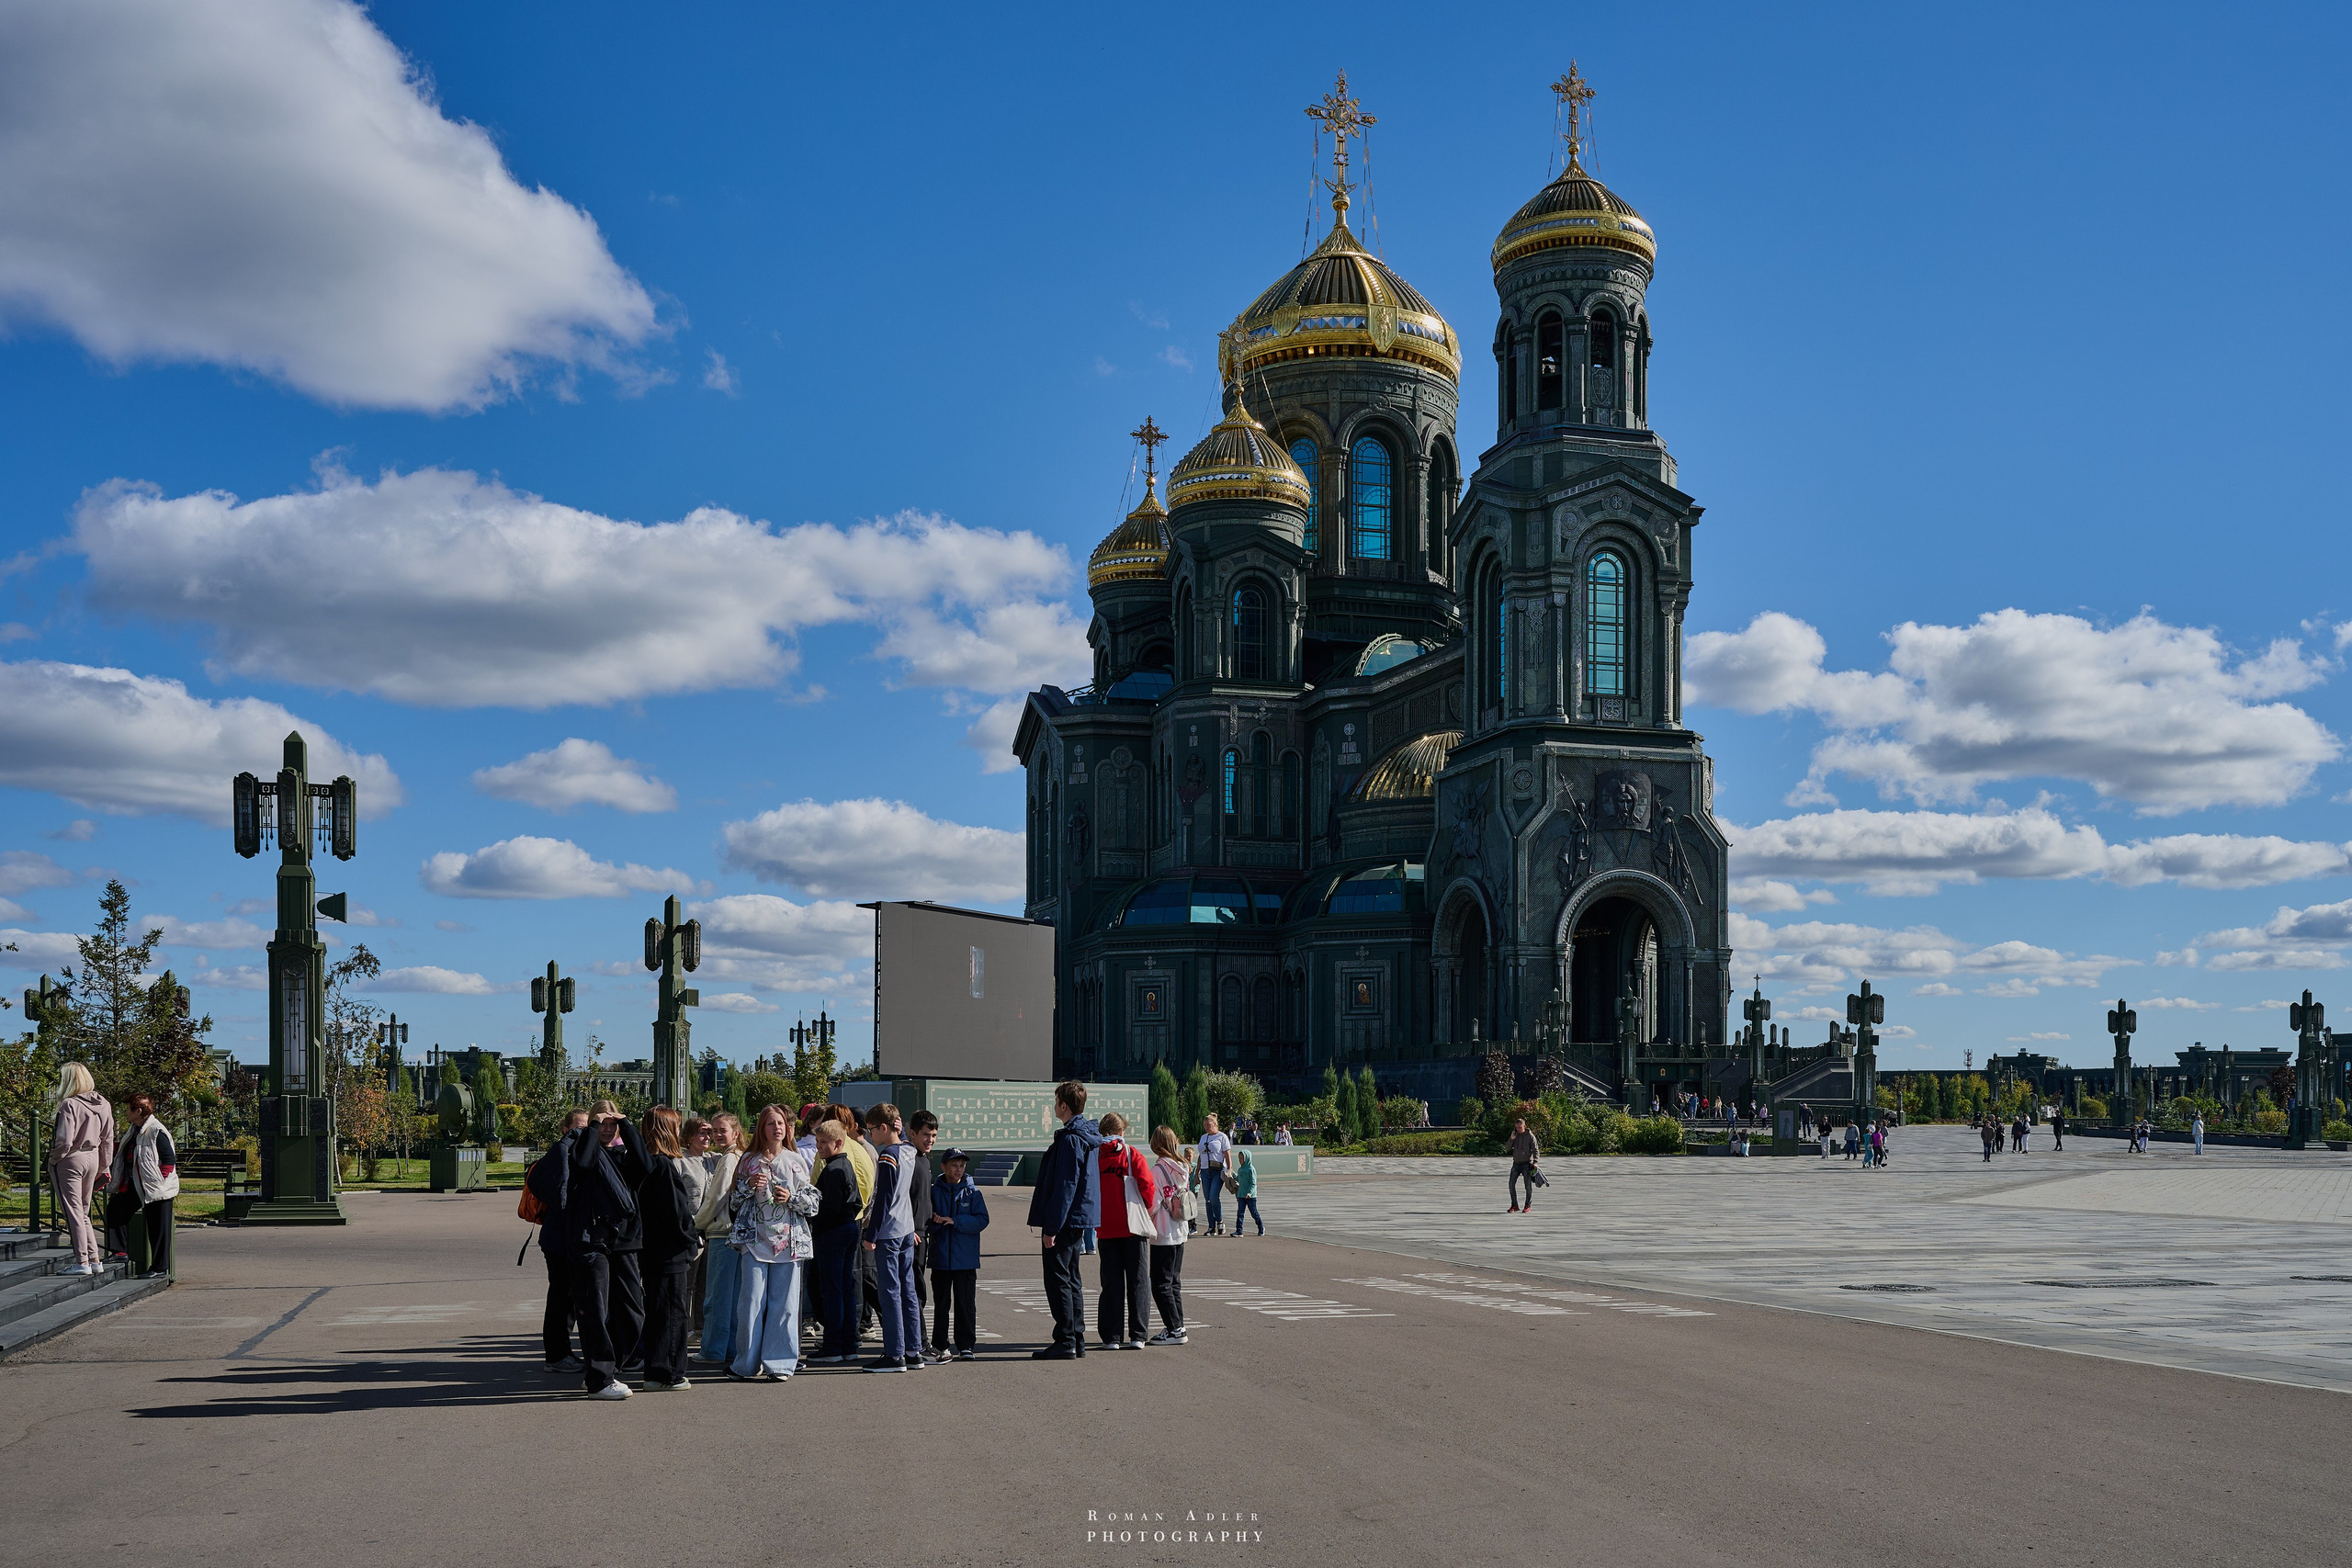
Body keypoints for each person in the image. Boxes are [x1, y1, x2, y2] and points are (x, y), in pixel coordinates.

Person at [563, 1100, 649, 1398]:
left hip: (624, 1241)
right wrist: (593, 1125)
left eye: (614, 1124)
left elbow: (646, 1165)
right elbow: (582, 1163)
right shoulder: (583, 1148)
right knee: (595, 1312)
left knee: (632, 1312)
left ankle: (606, 1366)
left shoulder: (625, 1154)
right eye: (604, 1123)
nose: (609, 1129)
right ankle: (600, 1378)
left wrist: (627, 1124)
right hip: (592, 1240)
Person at [729, 1104, 814, 1382]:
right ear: (761, 1128)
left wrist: (790, 1197)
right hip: (755, 1243)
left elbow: (812, 1204)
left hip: (789, 1244)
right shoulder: (748, 1160)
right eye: (770, 1123)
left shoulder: (796, 1161)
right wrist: (748, 1184)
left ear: (787, 1128)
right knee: (751, 1303)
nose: (777, 1127)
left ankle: (780, 1365)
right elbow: (733, 1202)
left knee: (785, 1306)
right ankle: (746, 1364)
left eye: (781, 1123)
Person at [1026, 1079, 1102, 1359]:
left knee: (1059, 1280)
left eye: (1056, 1100)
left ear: (1064, 1105)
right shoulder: (1084, 1135)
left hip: (1066, 1220)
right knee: (1071, 1279)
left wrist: (1052, 1226)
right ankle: (1076, 1339)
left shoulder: (1071, 1138)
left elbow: (1066, 1185)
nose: (1053, 1105)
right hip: (1078, 1219)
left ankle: (1066, 1340)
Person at [634, 1107, 702, 1391]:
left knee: (656, 1311)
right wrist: (691, 1240)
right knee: (673, 1314)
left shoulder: (641, 1163)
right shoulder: (664, 1167)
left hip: (648, 1248)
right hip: (670, 1251)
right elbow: (678, 1215)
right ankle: (669, 1373)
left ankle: (656, 1369)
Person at [861, 1103, 924, 1372]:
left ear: (884, 1128)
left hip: (888, 1231)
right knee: (908, 1291)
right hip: (907, 1229)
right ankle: (914, 1351)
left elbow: (884, 1198)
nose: (870, 1135)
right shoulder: (910, 1150)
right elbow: (910, 1144)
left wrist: (870, 1233)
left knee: (890, 1292)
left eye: (872, 1130)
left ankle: (894, 1353)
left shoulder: (887, 1156)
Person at [1091, 1111, 1159, 1349]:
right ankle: (1138, 1335)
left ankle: (1112, 1337)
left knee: (1111, 1284)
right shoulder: (1131, 1155)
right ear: (1121, 1132)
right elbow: (1147, 1186)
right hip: (1132, 1226)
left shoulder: (1094, 1156)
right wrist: (1148, 1209)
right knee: (1139, 1281)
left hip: (1105, 1227)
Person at [531, 1108, 591, 1372]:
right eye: (577, 1129)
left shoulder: (580, 1155)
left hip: (570, 1237)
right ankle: (556, 1356)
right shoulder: (559, 1154)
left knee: (571, 1298)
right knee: (561, 1299)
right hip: (559, 1240)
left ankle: (562, 1353)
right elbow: (550, 1189)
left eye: (588, 1129)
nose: (583, 1134)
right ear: (565, 1131)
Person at [48, 1063, 112, 1278]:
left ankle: (82, 1260)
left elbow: (65, 1140)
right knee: (83, 1212)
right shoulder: (103, 1104)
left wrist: (54, 1159)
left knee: (73, 1211)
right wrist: (105, 1165)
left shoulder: (69, 1104)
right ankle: (94, 1259)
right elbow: (108, 1139)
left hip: (71, 1159)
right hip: (93, 1156)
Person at [808, 1119, 864, 1363]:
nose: (819, 1147)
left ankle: (833, 1346)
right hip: (849, 1228)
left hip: (832, 1233)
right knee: (846, 1289)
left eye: (823, 1142)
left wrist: (815, 1225)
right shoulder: (846, 1166)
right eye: (818, 1142)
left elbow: (827, 1209)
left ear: (838, 1143)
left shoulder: (832, 1170)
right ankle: (848, 1344)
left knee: (832, 1290)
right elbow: (859, 1202)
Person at [106, 1091, 179, 1280]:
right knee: (116, 1208)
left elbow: (169, 1159)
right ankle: (120, 1252)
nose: (125, 1113)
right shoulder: (134, 1129)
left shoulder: (156, 1130)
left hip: (156, 1187)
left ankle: (160, 1267)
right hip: (138, 1185)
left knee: (158, 1228)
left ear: (138, 1111)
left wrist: (159, 1180)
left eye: (128, 1110)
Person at [692, 1112, 743, 1369]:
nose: (716, 1135)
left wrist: (696, 1224)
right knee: (733, 1296)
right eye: (713, 1131)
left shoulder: (728, 1160)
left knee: (716, 1296)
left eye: (722, 1130)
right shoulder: (740, 1156)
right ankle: (731, 1348)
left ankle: (713, 1349)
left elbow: (716, 1197)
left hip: (722, 1232)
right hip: (738, 1235)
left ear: (735, 1132)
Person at [927, 1146, 989, 1359]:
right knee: (941, 1304)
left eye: (962, 1165)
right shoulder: (934, 1191)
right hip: (941, 1258)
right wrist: (936, 1222)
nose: (959, 1169)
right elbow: (926, 1221)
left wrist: (956, 1221)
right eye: (954, 1165)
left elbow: (982, 1220)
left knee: (965, 1304)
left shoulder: (973, 1192)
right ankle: (940, 1344)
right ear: (943, 1167)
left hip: (965, 1260)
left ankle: (965, 1345)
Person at [1146, 1125, 1189, 1345]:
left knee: (1160, 1283)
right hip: (1180, 1228)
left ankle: (1174, 1330)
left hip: (1163, 1230)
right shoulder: (1183, 1167)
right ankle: (1177, 1325)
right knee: (1174, 1282)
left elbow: (1152, 1204)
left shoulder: (1157, 1170)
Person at [905, 1109, 940, 1357]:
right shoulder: (908, 1159)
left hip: (923, 1232)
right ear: (912, 1133)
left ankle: (917, 1341)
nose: (930, 1139)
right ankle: (920, 1343)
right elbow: (901, 1199)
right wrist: (910, 1228)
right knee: (915, 1291)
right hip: (912, 1234)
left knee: (918, 1289)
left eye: (934, 1135)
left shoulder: (925, 1160)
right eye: (926, 1135)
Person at [1196, 1113, 1231, 1236]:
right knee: (1208, 1199)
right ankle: (1211, 1227)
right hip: (1205, 1171)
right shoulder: (1203, 1137)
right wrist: (1197, 1174)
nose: (1207, 1127)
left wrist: (1230, 1169)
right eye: (1205, 1125)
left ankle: (1220, 1221)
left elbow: (1227, 1154)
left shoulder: (1222, 1137)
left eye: (1209, 1125)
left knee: (1213, 1196)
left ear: (1215, 1124)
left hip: (1217, 1170)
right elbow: (1201, 1155)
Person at [1506, 1116, 1541, 1213]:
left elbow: (1535, 1150)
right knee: (1511, 1184)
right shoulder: (1515, 1135)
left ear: (1524, 1126)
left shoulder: (1530, 1136)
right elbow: (1507, 1148)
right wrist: (1511, 1139)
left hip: (1527, 1164)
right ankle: (1514, 1205)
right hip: (1516, 1164)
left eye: (1520, 1127)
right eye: (1517, 1128)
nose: (1518, 1129)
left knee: (1528, 1186)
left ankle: (1527, 1205)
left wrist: (1535, 1162)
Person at [1231, 1148, 1263, 1236]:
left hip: (1250, 1196)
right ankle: (1239, 1231)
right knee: (1240, 1213)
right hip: (1241, 1195)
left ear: (1247, 1158)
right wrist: (1232, 1174)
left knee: (1254, 1213)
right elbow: (1239, 1178)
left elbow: (1253, 1183)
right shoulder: (1240, 1169)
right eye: (1239, 1158)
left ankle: (1261, 1227)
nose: (1240, 1160)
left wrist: (1249, 1193)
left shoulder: (1251, 1169)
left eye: (1242, 1158)